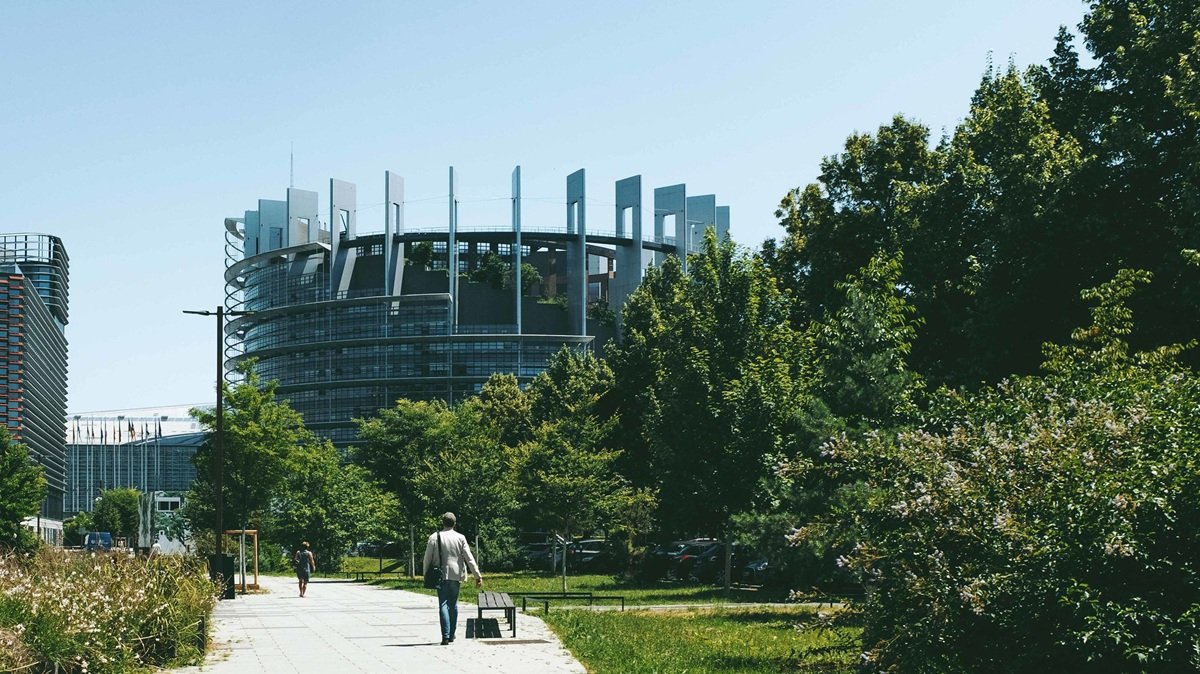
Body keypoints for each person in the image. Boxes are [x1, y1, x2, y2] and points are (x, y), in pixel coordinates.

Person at [423, 512, 483, 645]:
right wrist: (477, 575)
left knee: (443, 604)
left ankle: (445, 635)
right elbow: (469, 558)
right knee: (453, 604)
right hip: (456, 575)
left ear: (443, 523)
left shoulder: (434, 537)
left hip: (440, 575)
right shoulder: (460, 538)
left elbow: (427, 558)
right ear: (454, 523)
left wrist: (426, 574)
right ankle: (451, 634)